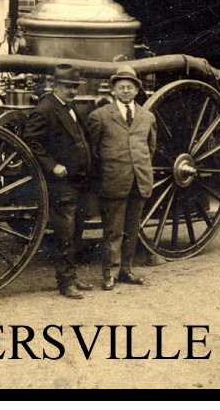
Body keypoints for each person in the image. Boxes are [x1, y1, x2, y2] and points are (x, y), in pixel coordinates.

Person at [23, 63, 94, 299]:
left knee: (76, 232)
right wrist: (53, 165)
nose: (71, 91)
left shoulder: (71, 108)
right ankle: (65, 283)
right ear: (55, 86)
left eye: (74, 86)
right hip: (60, 183)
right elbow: (30, 141)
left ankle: (72, 277)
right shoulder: (46, 108)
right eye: (67, 87)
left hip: (78, 180)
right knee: (65, 232)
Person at [87, 65, 157, 291]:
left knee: (132, 229)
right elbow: (94, 151)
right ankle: (110, 274)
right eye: (121, 87)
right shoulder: (100, 116)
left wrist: (139, 168)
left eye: (130, 87)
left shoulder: (147, 116)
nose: (126, 91)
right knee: (113, 231)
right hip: (114, 180)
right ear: (114, 91)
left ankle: (126, 270)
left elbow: (150, 148)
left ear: (137, 90)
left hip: (140, 180)